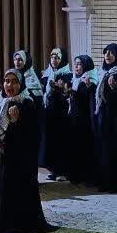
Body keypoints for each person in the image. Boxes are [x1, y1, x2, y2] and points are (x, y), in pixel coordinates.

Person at [0, 69, 53, 233]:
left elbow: (30, 135)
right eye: (7, 81)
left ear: (21, 84)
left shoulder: (27, 104)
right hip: (0, 154)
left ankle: (13, 223)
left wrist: (17, 121)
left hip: (18, 159)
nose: (9, 85)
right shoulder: (1, 103)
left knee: (11, 187)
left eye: (14, 81)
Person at [95, 43, 117, 192]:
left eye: (111, 52)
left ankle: (115, 183)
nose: (107, 55)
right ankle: (105, 181)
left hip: (116, 117)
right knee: (104, 148)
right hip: (104, 115)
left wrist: (112, 88)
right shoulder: (104, 73)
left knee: (114, 149)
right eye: (106, 52)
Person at [40, 47, 72, 181]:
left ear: (62, 59)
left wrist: (60, 88)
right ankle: (54, 170)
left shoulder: (67, 75)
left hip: (61, 114)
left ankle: (62, 171)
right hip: (49, 113)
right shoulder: (46, 74)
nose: (54, 60)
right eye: (52, 57)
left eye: (57, 57)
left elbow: (68, 94)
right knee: (51, 141)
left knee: (61, 142)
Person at [64, 54, 97, 186]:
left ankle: (86, 177)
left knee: (85, 149)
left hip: (85, 121)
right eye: (75, 64)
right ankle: (75, 175)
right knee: (75, 148)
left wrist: (73, 92)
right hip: (74, 119)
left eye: (79, 64)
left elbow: (88, 99)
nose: (76, 67)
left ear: (86, 66)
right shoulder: (75, 79)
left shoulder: (90, 79)